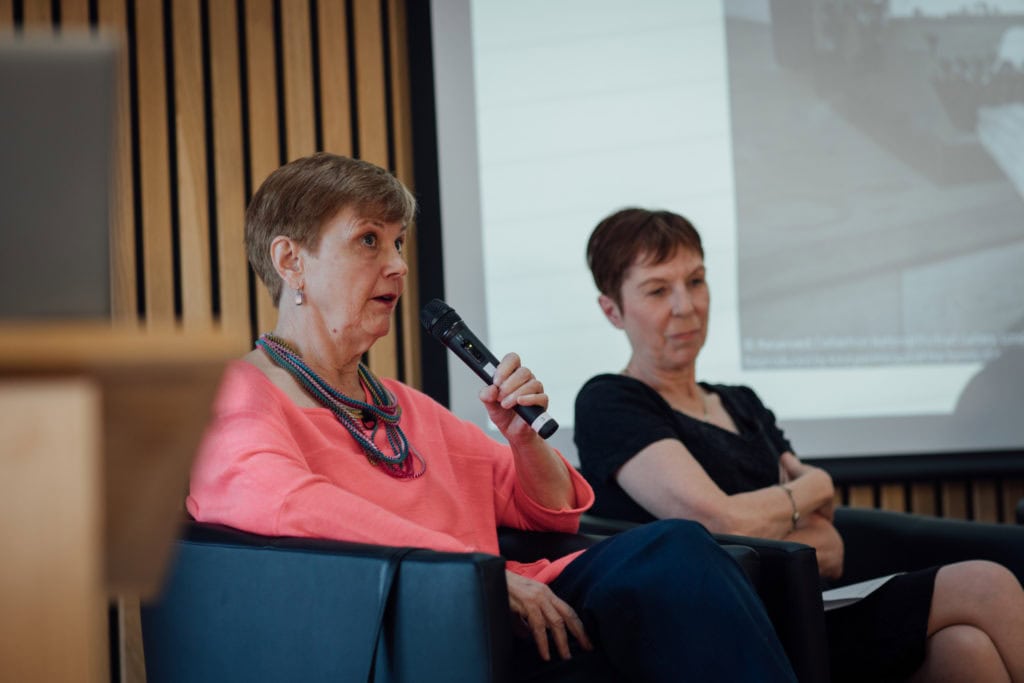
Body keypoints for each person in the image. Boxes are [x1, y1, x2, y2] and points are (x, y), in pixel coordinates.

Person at [186, 153, 796, 683]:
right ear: (290, 261)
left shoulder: (402, 406)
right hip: (413, 623)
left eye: (399, 242)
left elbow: (551, 509)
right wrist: (474, 574)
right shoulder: (238, 395)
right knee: (677, 561)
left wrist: (522, 437)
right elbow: (290, 505)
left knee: (679, 552)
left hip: (508, 600)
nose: (397, 264)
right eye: (369, 240)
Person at [574, 207, 1024, 683]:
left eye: (697, 281)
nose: (686, 306)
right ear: (612, 310)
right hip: (736, 631)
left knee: (966, 649)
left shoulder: (740, 401)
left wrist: (768, 521)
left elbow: (828, 547)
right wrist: (814, 486)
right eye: (658, 290)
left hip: (817, 604)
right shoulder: (610, 400)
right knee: (983, 583)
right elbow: (717, 521)